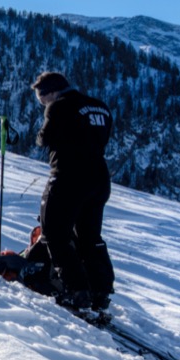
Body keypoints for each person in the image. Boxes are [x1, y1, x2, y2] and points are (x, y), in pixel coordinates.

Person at [30, 71, 115, 313]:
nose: (43, 103)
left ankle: (75, 290)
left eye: (42, 98)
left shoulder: (59, 107)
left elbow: (43, 139)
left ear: (52, 92)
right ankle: (101, 290)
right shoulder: (100, 107)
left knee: (56, 233)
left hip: (68, 177)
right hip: (99, 178)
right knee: (90, 237)